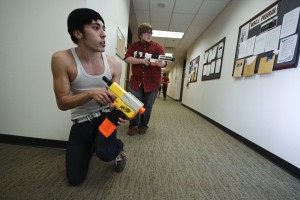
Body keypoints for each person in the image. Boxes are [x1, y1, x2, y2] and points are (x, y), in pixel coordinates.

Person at [51, 8, 127, 186]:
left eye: (103, 28)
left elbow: (115, 102)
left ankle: (118, 149)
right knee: (75, 179)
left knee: (106, 152)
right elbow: (62, 103)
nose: (104, 34)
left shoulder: (115, 65)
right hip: (81, 120)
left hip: (106, 118)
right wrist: (90, 93)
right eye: (95, 28)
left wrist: (118, 112)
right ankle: (93, 143)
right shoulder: (62, 59)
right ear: (78, 33)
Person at [124, 23, 167, 136]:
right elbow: (127, 58)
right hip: (136, 82)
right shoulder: (134, 46)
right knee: (133, 104)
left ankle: (143, 125)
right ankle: (133, 124)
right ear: (140, 35)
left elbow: (164, 62)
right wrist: (142, 61)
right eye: (146, 33)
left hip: (152, 83)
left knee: (147, 107)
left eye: (150, 33)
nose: (149, 35)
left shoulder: (157, 47)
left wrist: (160, 63)